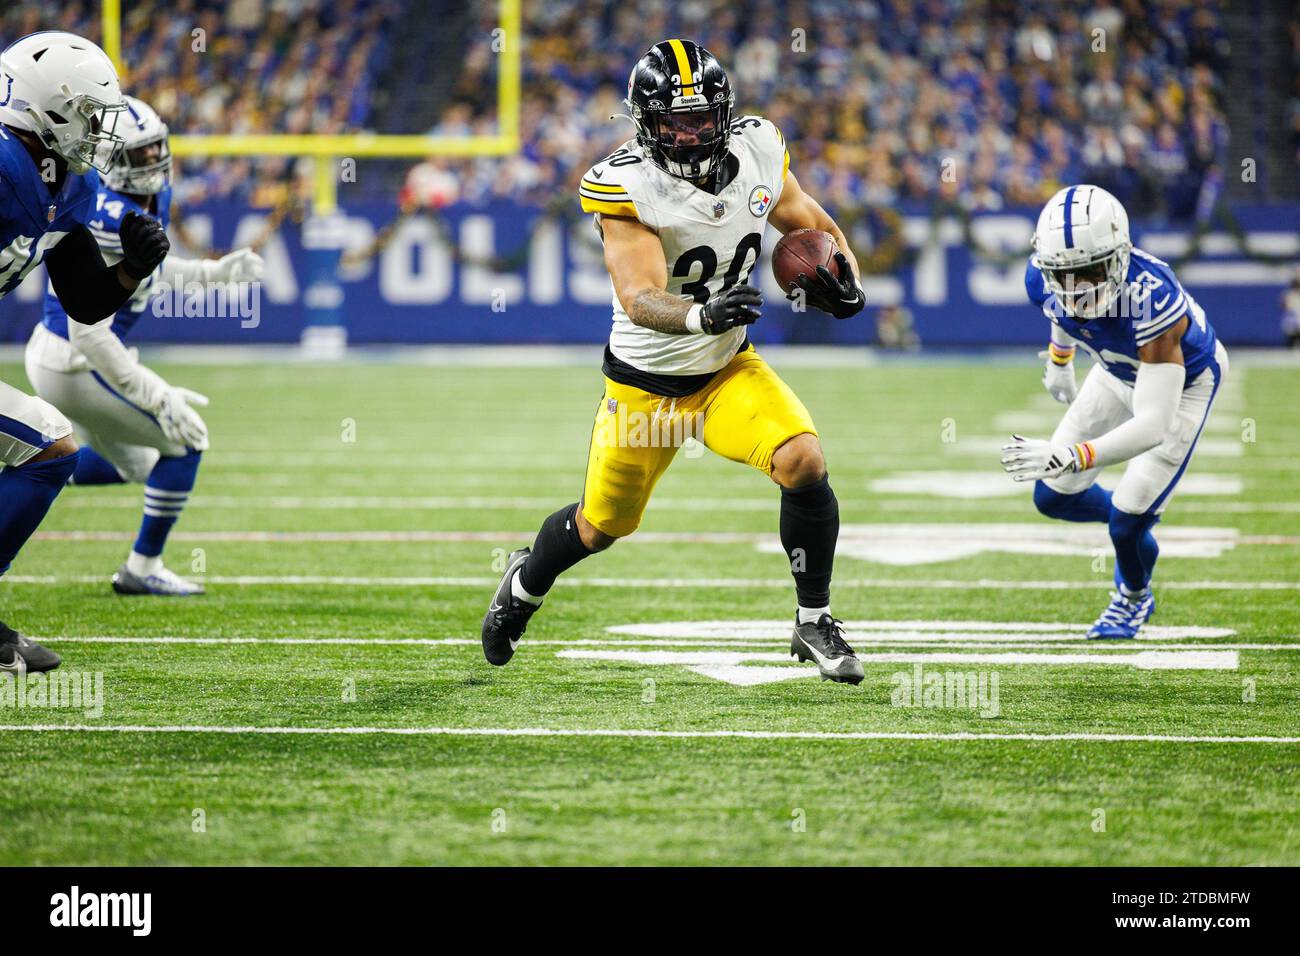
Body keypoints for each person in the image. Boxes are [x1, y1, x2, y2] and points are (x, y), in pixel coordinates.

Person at [480, 40, 867, 683]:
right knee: (601, 527)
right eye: (674, 123)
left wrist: (844, 278)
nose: (690, 137)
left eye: (700, 120)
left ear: (725, 115)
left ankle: (813, 619)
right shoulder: (627, 184)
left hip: (724, 373)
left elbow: (812, 224)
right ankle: (525, 582)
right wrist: (701, 315)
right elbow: (638, 297)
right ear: (645, 124)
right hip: (645, 391)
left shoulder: (760, 150)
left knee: (803, 460)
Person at [26, 96, 263, 595]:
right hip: (75, 360)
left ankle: (30, 471)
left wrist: (211, 273)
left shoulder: (140, 200)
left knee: (136, 463)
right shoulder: (105, 209)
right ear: (113, 158)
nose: (154, 162)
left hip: (63, 356)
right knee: (188, 439)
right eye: (141, 154)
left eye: (158, 149)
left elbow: (148, 267)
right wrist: (155, 394)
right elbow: (88, 333)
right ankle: (141, 568)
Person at [0, 32, 171, 669]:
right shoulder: (3, 165)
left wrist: (130, 269)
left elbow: (84, 301)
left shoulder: (62, 183)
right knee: (48, 445)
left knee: (50, 448)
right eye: (89, 116)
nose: (97, 132)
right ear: (49, 108)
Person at [1002, 184, 1228, 639]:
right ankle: (1140, 518)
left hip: (1181, 384)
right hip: (1116, 369)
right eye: (1064, 275)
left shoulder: (1151, 298)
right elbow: (1060, 311)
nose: (1076, 288)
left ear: (1119, 256)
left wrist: (1073, 455)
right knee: (1052, 497)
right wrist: (1060, 359)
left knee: (1125, 527)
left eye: (1090, 272)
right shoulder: (1043, 278)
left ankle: (1133, 596)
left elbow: (1153, 425)